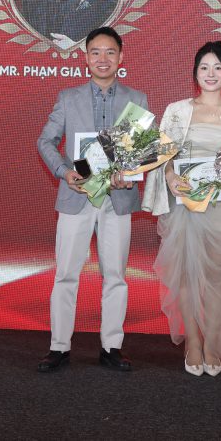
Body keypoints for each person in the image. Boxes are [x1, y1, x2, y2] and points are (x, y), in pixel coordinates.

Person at [142, 41, 221, 376]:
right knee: (185, 273)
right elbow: (163, 157)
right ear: (195, 73)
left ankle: (212, 342)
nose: (211, 74)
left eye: (218, 68)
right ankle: (193, 341)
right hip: (187, 207)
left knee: (220, 278)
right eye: (204, 68)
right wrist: (170, 176)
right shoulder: (176, 111)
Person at [36, 26, 148, 373]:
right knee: (66, 275)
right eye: (96, 52)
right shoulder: (68, 98)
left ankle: (111, 346)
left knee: (116, 276)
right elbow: (45, 141)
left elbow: (143, 152)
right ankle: (59, 347)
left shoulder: (137, 100)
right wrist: (63, 171)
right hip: (77, 197)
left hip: (118, 199)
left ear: (121, 57)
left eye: (110, 52)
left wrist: (130, 172)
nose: (103, 59)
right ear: (85, 58)